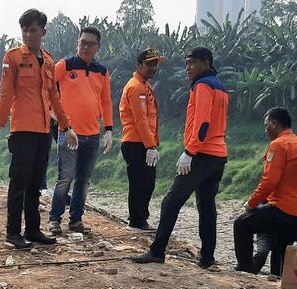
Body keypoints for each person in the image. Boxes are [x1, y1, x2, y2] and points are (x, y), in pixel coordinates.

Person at [133, 47, 228, 268]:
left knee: (171, 201)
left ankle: (157, 251)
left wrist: (190, 151)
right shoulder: (220, 86)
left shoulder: (203, 86)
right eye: (186, 63)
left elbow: (202, 123)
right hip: (218, 155)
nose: (188, 68)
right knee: (206, 207)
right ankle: (207, 257)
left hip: (202, 154)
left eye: (192, 63)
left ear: (205, 62)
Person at [0, 8, 77, 250]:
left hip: (42, 130)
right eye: (25, 30)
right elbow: (6, 93)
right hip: (22, 129)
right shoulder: (13, 57)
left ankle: (32, 229)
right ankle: (12, 232)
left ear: (43, 32)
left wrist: (66, 125)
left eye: (33, 30)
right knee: (19, 182)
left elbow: (54, 97)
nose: (28, 35)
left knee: (35, 182)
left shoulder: (48, 60)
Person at [47, 26, 114, 236]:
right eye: (82, 42)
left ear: (98, 47)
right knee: (65, 178)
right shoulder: (64, 66)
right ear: (77, 43)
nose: (85, 47)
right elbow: (47, 89)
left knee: (83, 181)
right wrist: (56, 118)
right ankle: (54, 219)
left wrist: (109, 129)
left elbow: (105, 101)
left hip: (93, 134)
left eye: (90, 44)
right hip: (68, 133)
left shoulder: (102, 71)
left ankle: (76, 219)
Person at [233, 107, 297, 276]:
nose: (265, 129)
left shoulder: (278, 144)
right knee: (282, 247)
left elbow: (269, 181)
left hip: (282, 207)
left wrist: (251, 203)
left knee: (242, 223)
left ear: (274, 123)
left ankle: (244, 270)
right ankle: (281, 279)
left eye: (266, 124)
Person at [120, 49, 163, 232]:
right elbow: (140, 119)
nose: (153, 68)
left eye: (155, 64)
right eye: (149, 64)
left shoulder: (144, 85)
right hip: (136, 142)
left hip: (142, 142)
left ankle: (138, 217)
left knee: (147, 181)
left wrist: (153, 143)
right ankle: (137, 220)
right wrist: (150, 145)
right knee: (140, 182)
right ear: (139, 66)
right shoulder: (136, 87)